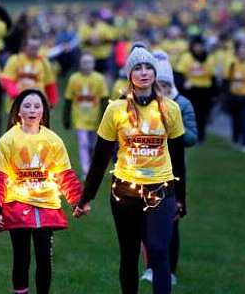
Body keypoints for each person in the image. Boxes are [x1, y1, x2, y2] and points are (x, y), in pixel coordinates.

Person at [76, 47, 187, 294]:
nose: (144, 72)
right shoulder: (115, 109)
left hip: (161, 190)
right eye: (137, 67)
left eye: (148, 67)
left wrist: (181, 198)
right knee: (129, 255)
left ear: (155, 73)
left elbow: (179, 159)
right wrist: (86, 197)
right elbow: (100, 157)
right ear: (129, 74)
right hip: (125, 193)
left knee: (159, 252)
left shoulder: (170, 109)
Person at [0, 89, 84, 294]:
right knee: (21, 258)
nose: (32, 110)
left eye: (37, 106)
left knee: (44, 258)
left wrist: (77, 201)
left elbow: (65, 174)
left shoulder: (53, 140)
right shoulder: (8, 140)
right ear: (18, 112)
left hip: (47, 208)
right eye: (27, 106)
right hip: (16, 207)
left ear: (44, 111)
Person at [141, 50, 198, 286]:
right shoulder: (145, 104)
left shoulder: (181, 104)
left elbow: (193, 137)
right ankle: (151, 268)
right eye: (158, 84)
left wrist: (174, 130)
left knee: (170, 223)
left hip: (173, 172)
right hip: (147, 171)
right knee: (146, 222)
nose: (162, 89)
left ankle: (169, 270)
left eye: (165, 84)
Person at [63, 52, 109, 176]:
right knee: (83, 143)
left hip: (94, 119)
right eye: (84, 63)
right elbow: (68, 99)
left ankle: (92, 165)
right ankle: (86, 170)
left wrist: (104, 118)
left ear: (93, 64)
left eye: (89, 63)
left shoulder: (99, 79)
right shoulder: (74, 79)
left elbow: (104, 98)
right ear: (80, 64)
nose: (87, 65)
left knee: (92, 145)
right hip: (79, 118)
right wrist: (66, 117)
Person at [1, 35, 58, 108]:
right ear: (24, 47)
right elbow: (7, 80)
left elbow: (50, 83)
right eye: (31, 47)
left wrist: (52, 101)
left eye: (36, 48)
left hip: (37, 104)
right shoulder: (15, 59)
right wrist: (15, 95)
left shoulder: (43, 62)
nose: (34, 50)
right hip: (17, 103)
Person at [176, 35, 215, 143]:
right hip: (191, 90)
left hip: (204, 89)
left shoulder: (209, 57)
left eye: (201, 46)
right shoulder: (187, 57)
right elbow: (180, 73)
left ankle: (201, 136)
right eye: (196, 46)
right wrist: (184, 82)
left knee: (203, 114)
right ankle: (191, 135)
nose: (198, 48)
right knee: (191, 113)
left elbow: (212, 73)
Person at [223, 41, 245, 151]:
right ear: (237, 54)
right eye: (241, 53)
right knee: (235, 120)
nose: (243, 55)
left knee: (244, 120)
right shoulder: (232, 65)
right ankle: (235, 138)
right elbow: (226, 80)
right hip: (234, 96)